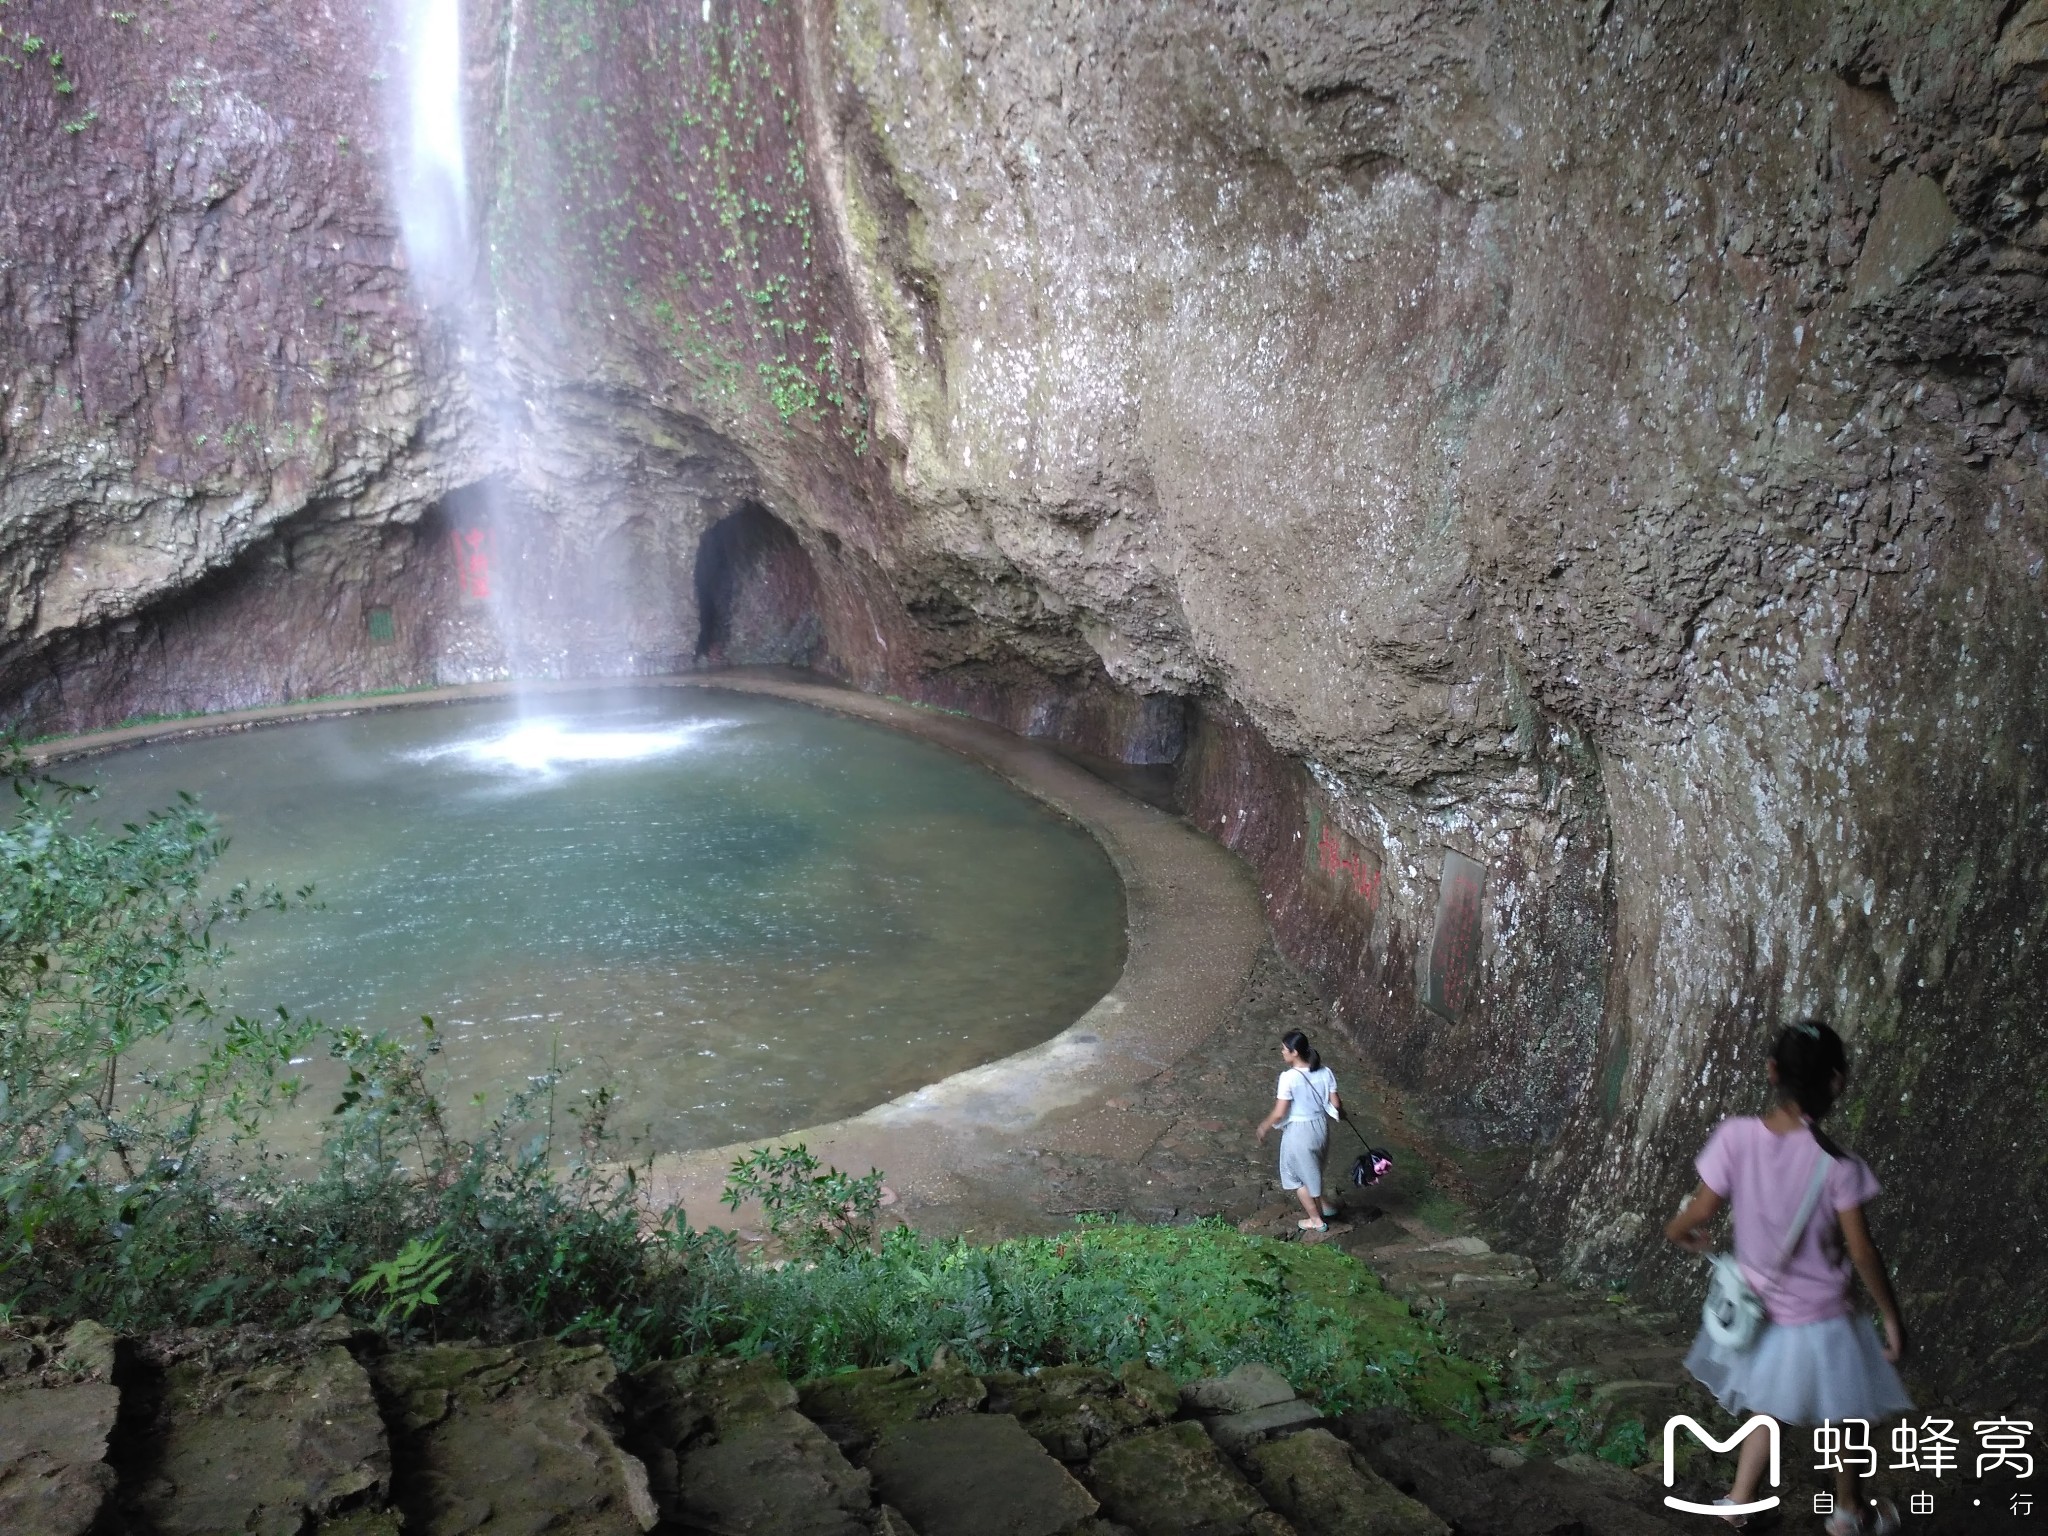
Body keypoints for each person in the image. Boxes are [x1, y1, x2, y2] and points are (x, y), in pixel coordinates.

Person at [1664, 1020, 1911, 1535]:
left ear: (1772, 1071)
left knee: (1766, 1404)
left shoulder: (1735, 1138)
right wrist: (1890, 1318)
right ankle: (1847, 1513)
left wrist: (1683, 1233)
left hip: (1759, 1310)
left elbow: (1694, 1216)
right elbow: (1863, 1253)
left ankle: (1739, 1499)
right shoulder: (1839, 1167)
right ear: (1838, 1081)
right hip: (1822, 1319)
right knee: (1848, 1418)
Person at [1254, 1030, 1341, 1233]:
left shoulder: (1288, 1078)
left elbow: (1279, 1112)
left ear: (1294, 1053)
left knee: (1296, 1177)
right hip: (1320, 1127)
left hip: (1299, 1133)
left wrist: (1264, 1127)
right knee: (1313, 1168)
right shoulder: (1324, 1072)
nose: (1282, 1053)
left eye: (1284, 1050)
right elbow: (1336, 1103)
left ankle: (1315, 1220)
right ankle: (1326, 1206)